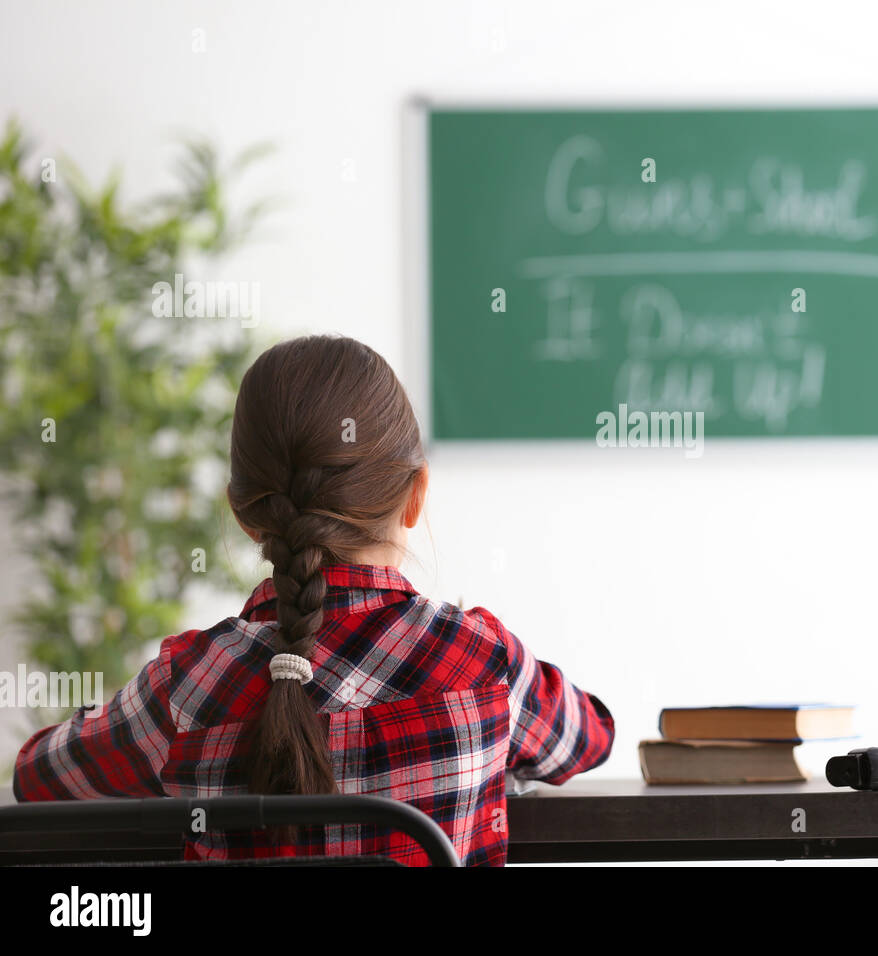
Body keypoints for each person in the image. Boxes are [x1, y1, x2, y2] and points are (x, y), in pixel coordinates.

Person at [12, 334, 614, 866]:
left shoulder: (186, 687)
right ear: (415, 495)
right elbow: (588, 739)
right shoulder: (481, 662)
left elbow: (39, 781)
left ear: (246, 514)